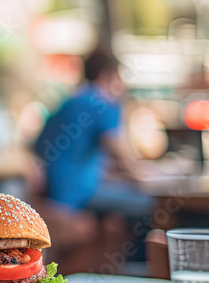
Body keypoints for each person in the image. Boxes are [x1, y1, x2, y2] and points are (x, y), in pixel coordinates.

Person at [32, 52, 151, 218]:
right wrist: (147, 179)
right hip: (79, 194)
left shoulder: (70, 101)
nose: (122, 85)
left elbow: (40, 147)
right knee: (146, 203)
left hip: (57, 192)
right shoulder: (101, 103)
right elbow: (123, 156)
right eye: (119, 77)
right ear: (106, 75)